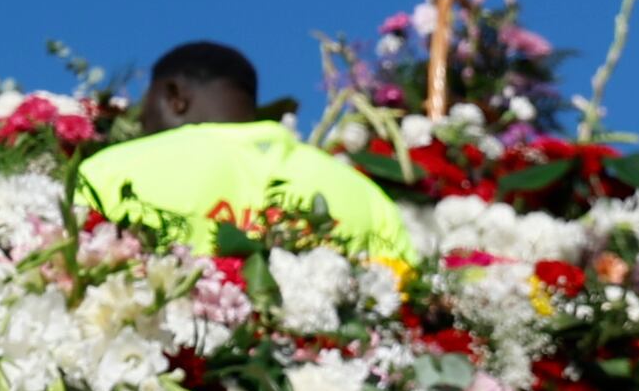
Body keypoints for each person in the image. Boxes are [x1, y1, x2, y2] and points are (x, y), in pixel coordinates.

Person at [75, 39, 415, 261]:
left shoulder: (111, 172)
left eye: (145, 112)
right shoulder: (366, 198)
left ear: (174, 96)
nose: (143, 126)